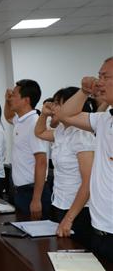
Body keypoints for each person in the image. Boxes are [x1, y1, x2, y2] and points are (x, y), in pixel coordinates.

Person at [57, 57, 113, 262]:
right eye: (98, 77)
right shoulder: (105, 119)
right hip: (100, 227)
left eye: (104, 77)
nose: (98, 82)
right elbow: (65, 115)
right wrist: (83, 91)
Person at [35, 87, 95, 248]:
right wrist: (44, 114)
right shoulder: (61, 130)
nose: (53, 107)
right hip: (60, 202)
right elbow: (39, 132)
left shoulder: (82, 135)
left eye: (57, 103)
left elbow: (88, 182)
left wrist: (69, 218)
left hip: (79, 210)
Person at [4, 79, 52, 219]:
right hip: (21, 190)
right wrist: (6, 100)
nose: (11, 97)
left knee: (38, 238)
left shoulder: (35, 123)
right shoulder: (20, 120)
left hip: (33, 191)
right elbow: (8, 117)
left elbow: (41, 161)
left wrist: (36, 199)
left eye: (14, 95)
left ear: (26, 100)